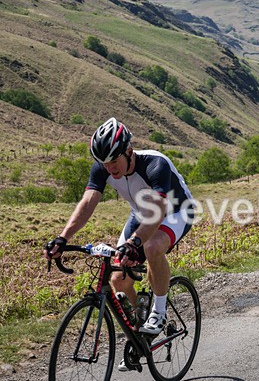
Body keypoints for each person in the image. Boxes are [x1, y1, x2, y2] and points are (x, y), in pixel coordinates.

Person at [44, 118, 195, 340]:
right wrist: (62, 238)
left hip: (175, 212)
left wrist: (134, 243)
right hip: (141, 214)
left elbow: (158, 210)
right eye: (103, 162)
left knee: (152, 247)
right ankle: (140, 332)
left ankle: (159, 312)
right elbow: (88, 203)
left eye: (114, 160)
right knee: (118, 281)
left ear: (129, 151)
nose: (109, 167)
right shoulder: (103, 168)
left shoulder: (155, 164)